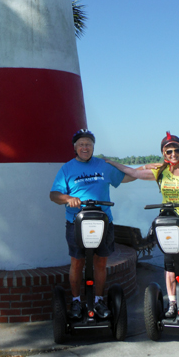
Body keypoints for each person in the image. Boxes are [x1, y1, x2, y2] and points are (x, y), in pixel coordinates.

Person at [106, 132, 179, 320]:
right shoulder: (161, 171)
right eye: (169, 151)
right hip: (169, 223)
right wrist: (110, 163)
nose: (173, 154)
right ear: (163, 153)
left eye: (177, 150)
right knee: (169, 264)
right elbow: (134, 173)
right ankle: (173, 303)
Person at [50, 129, 137, 320]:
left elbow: (128, 177)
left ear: (93, 147)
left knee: (101, 262)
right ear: (75, 147)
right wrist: (68, 198)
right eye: (81, 144)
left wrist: (134, 169)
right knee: (77, 262)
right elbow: (54, 195)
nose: (84, 147)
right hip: (76, 222)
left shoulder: (103, 166)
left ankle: (98, 300)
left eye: (88, 144)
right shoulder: (66, 169)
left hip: (103, 221)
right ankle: (75, 301)